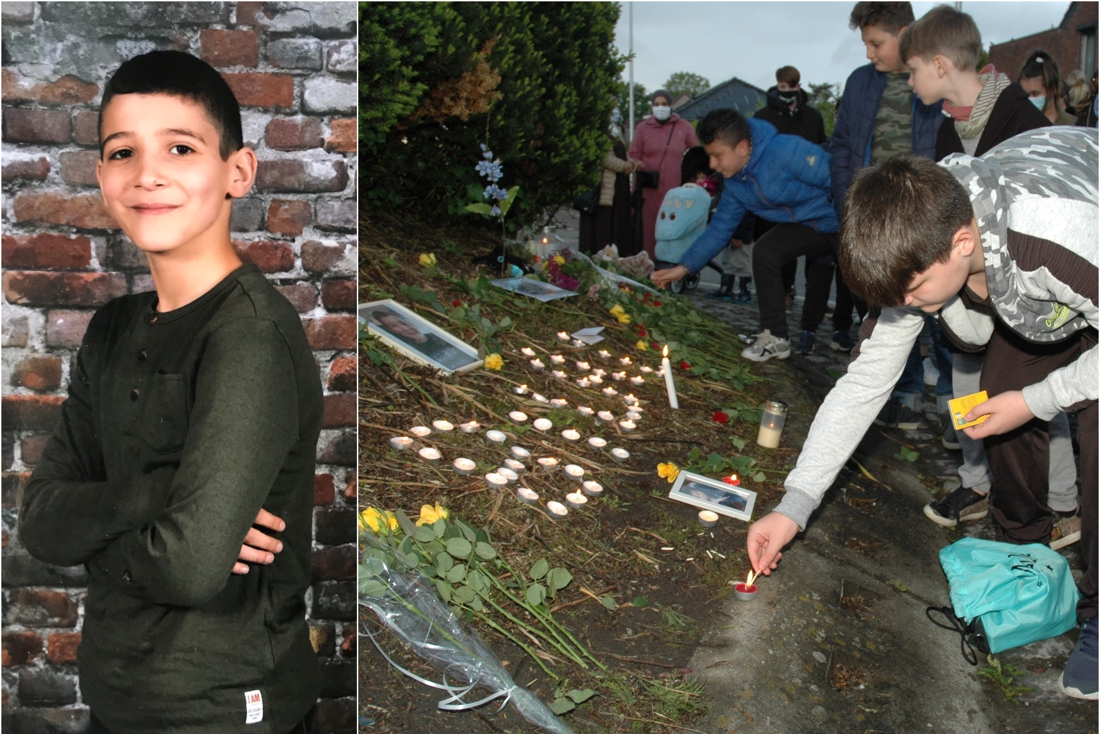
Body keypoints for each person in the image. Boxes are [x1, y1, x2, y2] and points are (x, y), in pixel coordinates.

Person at [17, 51, 322, 732]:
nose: (147, 174)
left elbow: (188, 569)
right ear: (101, 177)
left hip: (224, 710)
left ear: (237, 171)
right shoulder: (111, 330)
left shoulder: (247, 337)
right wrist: (157, 497)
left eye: (180, 148)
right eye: (122, 152)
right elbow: (37, 521)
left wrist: (91, 531)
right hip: (116, 701)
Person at [747, 128, 1098, 701]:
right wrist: (795, 504)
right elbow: (863, 383)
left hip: (1083, 239)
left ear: (962, 241)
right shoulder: (918, 238)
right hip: (1026, 288)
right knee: (995, 398)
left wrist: (1039, 399)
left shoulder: (1058, 233)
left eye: (913, 293)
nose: (907, 309)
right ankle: (1024, 551)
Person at [899, 5, 1078, 538]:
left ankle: (1062, 501)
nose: (908, 83)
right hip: (973, 284)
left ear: (938, 64)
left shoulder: (1020, 117)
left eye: (911, 71)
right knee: (967, 380)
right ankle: (977, 481)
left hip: (1026, 283)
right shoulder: (946, 128)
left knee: (1037, 392)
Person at [831, 2, 949, 430]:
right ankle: (906, 397)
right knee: (889, 311)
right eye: (865, 44)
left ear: (905, 32)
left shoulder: (935, 77)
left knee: (945, 318)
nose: (869, 54)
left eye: (876, 43)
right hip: (878, 219)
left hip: (928, 216)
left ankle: (957, 410)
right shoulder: (860, 83)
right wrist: (848, 203)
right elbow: (842, 144)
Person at [650, 108, 836, 363]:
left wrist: (866, 231)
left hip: (846, 218)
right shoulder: (737, 181)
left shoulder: (786, 151)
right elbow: (719, 229)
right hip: (808, 224)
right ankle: (776, 338)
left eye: (717, 156)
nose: (712, 165)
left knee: (869, 285)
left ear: (741, 147)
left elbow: (840, 180)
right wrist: (684, 267)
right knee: (765, 252)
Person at [754, 65, 850, 346]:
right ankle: (791, 326)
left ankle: (846, 330)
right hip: (784, 204)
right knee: (772, 254)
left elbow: (822, 156)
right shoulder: (764, 118)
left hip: (823, 208)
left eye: (791, 86)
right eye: (782, 86)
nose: (786, 91)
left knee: (846, 276)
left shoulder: (812, 117)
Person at [629, 89, 699, 259]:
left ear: (671, 105)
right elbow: (633, 153)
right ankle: (646, 263)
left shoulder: (684, 126)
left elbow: (695, 153)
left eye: (664, 104)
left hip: (675, 189)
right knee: (648, 228)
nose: (660, 107)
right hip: (648, 188)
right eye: (656, 104)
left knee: (672, 226)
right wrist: (636, 163)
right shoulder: (642, 128)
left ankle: (671, 264)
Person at [578, 121, 638, 255]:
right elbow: (601, 157)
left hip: (618, 191)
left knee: (617, 233)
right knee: (601, 234)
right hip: (601, 193)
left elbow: (625, 154)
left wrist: (632, 164)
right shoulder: (593, 128)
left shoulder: (615, 130)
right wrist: (624, 166)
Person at [368, 307, 477, 371]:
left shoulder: (437, 337)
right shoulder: (408, 348)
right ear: (390, 330)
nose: (404, 328)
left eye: (402, 322)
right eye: (393, 326)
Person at [1018, 50, 1078, 126]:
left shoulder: (1073, 125)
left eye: (1035, 94)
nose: (1029, 99)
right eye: (1025, 94)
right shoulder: (1017, 126)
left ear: (1053, 90)